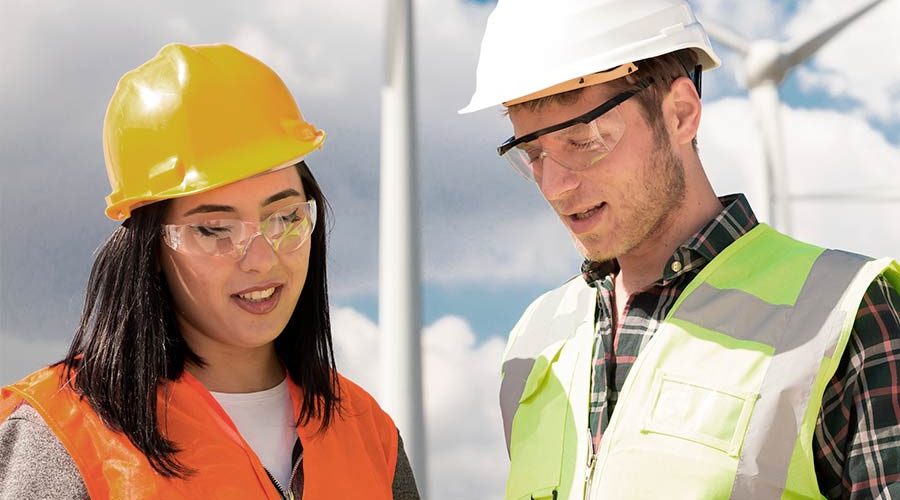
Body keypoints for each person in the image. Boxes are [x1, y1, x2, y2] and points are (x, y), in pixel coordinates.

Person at [460, 1, 899, 498]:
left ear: (681, 114)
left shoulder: (842, 314)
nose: (555, 185)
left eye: (582, 140)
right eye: (533, 152)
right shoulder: (533, 341)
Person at [0, 43, 419, 500]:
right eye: (215, 229)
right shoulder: (64, 435)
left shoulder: (367, 432)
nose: (261, 258)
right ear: (149, 247)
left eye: (284, 218)